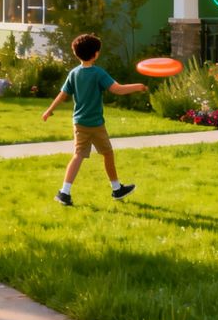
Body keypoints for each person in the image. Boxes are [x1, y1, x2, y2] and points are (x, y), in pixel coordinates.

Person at [40, 33, 145, 206]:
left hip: (79, 123)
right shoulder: (98, 73)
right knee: (108, 154)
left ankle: (64, 192)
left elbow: (63, 94)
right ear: (96, 54)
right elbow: (117, 89)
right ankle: (116, 189)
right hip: (96, 125)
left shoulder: (74, 73)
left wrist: (49, 110)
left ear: (76, 53)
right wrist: (138, 86)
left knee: (78, 155)